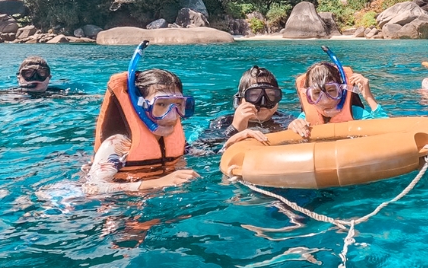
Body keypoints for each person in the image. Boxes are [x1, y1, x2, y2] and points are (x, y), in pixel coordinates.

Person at [83, 43, 198, 194]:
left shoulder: (177, 139)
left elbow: (204, 153)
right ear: (141, 106)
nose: (172, 115)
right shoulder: (119, 144)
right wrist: (158, 183)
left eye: (178, 105)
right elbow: (92, 188)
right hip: (118, 208)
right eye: (161, 104)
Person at [194, 66, 295, 152]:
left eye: (271, 95)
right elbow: (197, 151)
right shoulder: (223, 123)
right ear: (239, 100)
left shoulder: (286, 120)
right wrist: (234, 129)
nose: (263, 102)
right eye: (254, 95)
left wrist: (298, 127)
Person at [288, 56, 387, 137]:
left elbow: (387, 130)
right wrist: (294, 125)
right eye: (317, 93)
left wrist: (369, 97)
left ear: (342, 91)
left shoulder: (356, 113)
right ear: (308, 96)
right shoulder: (305, 118)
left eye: (331, 90)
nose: (325, 101)